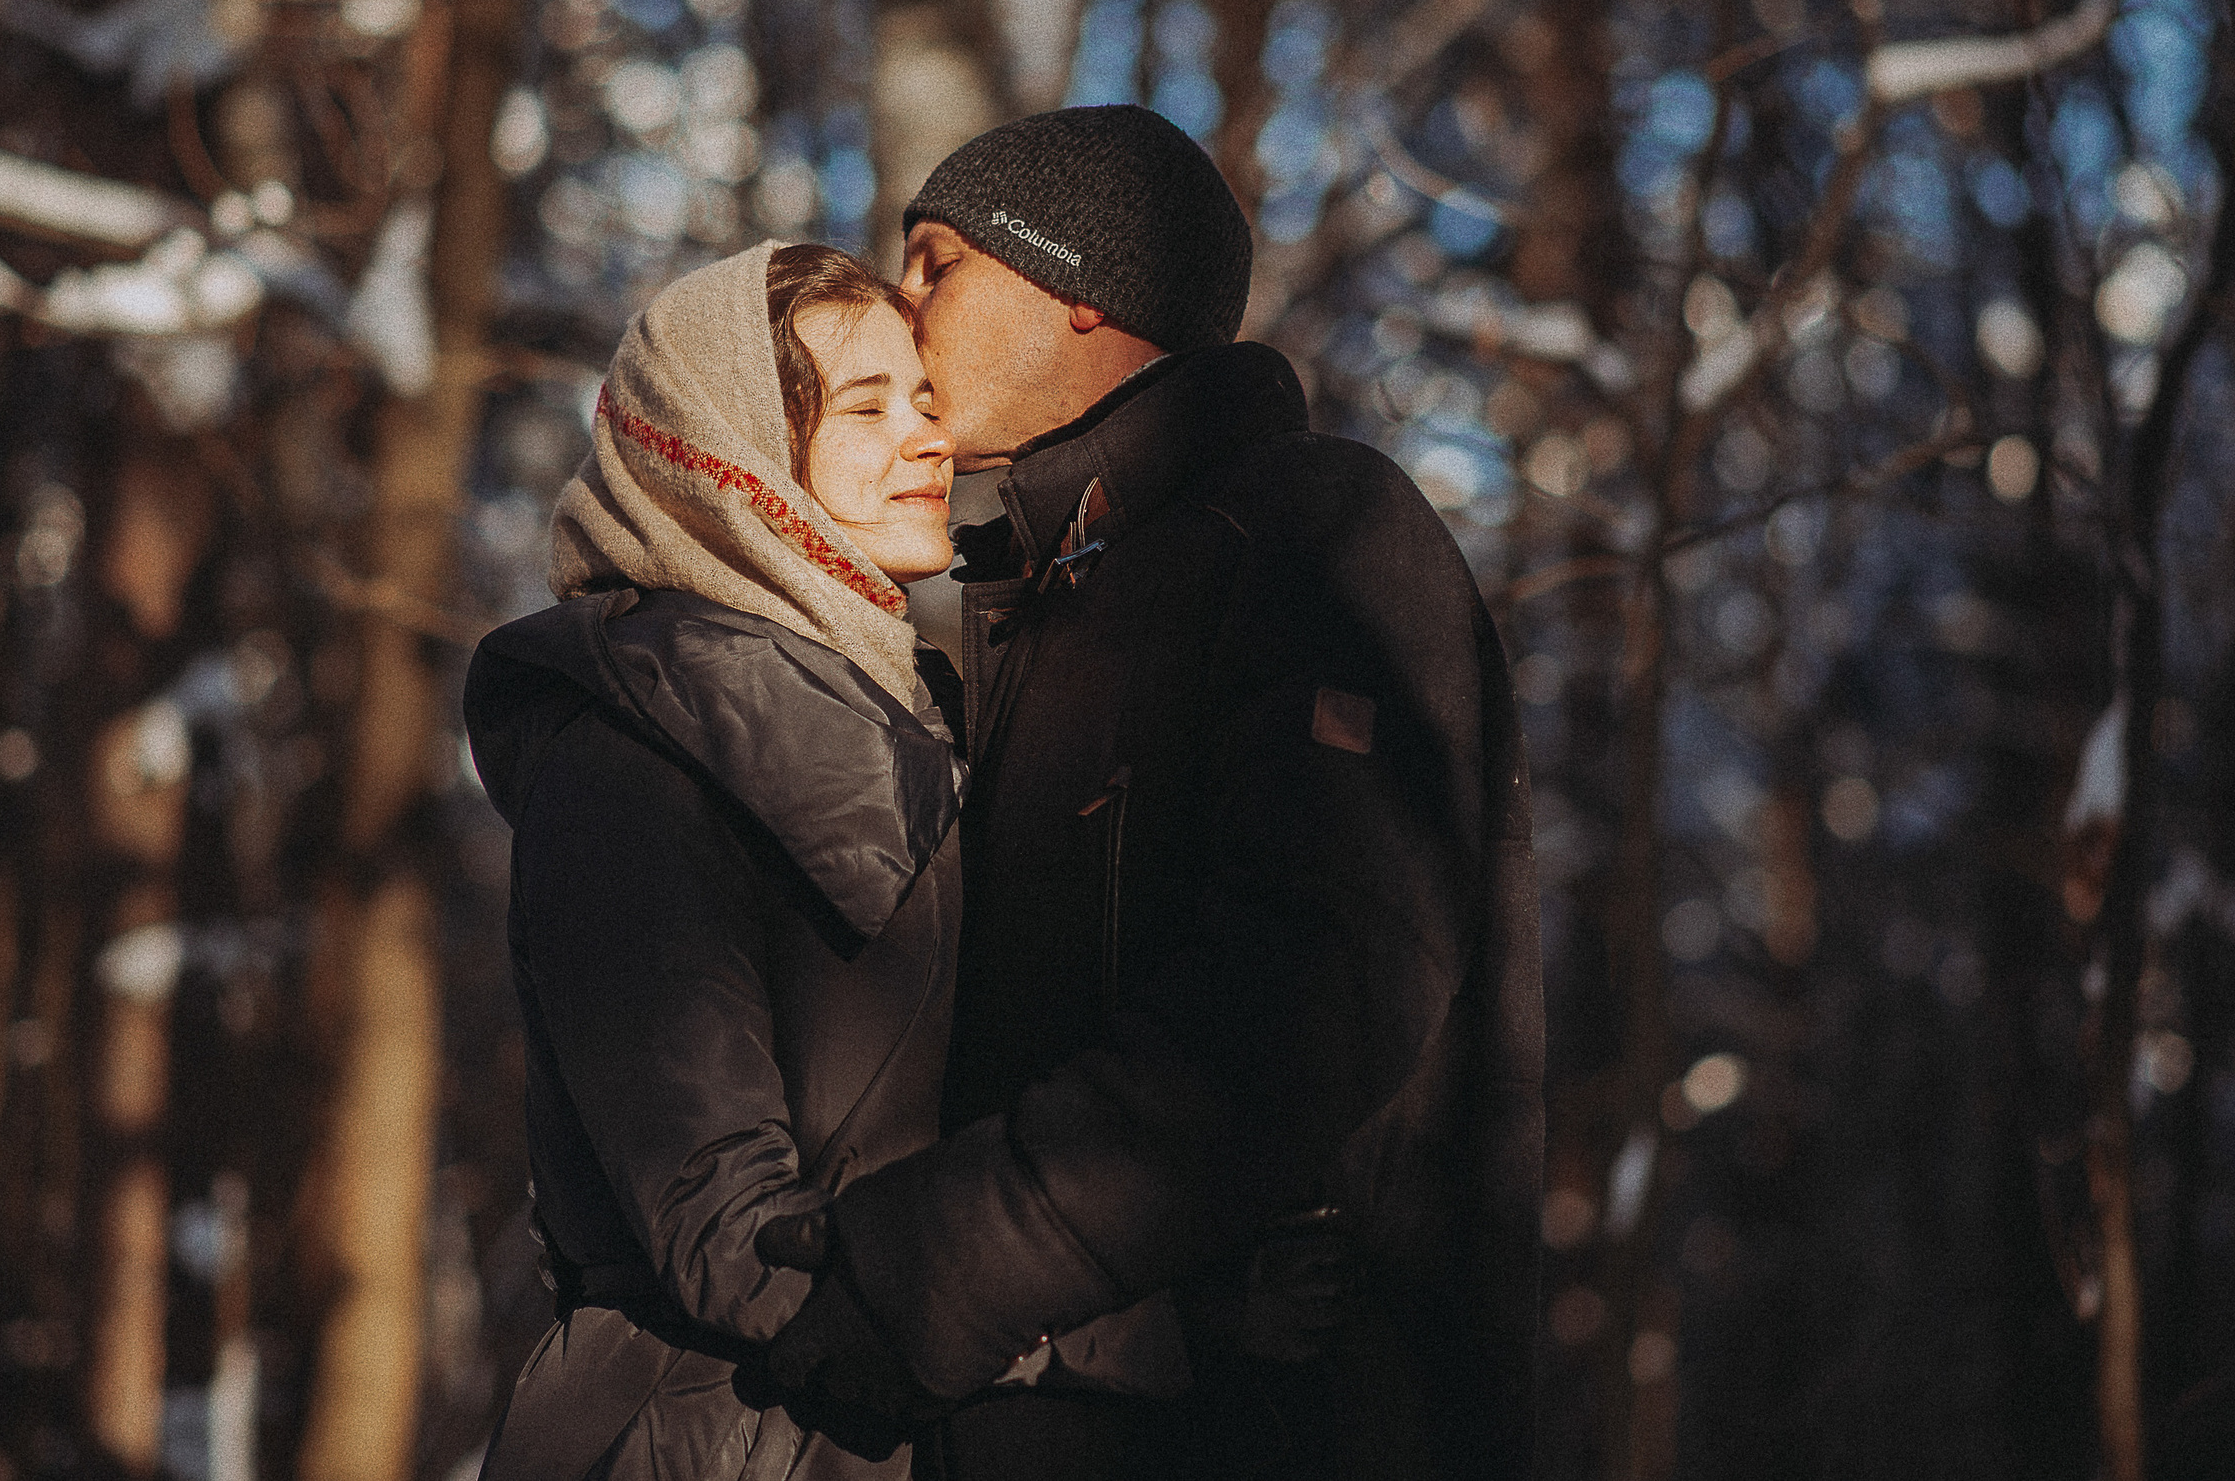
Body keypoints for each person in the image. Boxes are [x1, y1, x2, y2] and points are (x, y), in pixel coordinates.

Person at [760, 105, 1544, 1480]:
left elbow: (1314, 991)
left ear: (1079, 288)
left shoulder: (1318, 534)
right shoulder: (1056, 597)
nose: (901, 301)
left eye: (938, 262)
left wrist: (951, 1263)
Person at [465, 240, 967, 1481]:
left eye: (926, 401)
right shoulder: (628, 758)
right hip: (713, 1439)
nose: (931, 440)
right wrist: (1068, 1322)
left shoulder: (918, 723)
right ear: (729, 453)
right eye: (866, 409)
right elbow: (727, 1237)